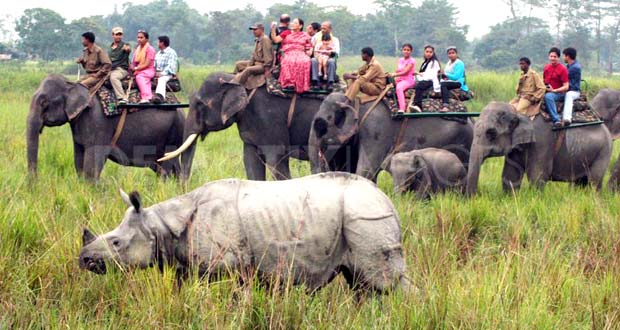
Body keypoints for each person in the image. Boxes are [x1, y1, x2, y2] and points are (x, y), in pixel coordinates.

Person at [271, 18, 312, 94]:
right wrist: (273, 29)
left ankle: (300, 84)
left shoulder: (304, 35)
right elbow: (276, 40)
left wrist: (309, 51)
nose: (292, 24)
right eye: (292, 22)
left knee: (305, 61)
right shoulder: (286, 32)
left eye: (295, 23)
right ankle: (289, 83)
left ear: (300, 26)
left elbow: (308, 46)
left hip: (300, 52)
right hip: (288, 52)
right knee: (289, 61)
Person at [230, 23, 273, 89]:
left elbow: (268, 57)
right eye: (253, 30)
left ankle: (234, 84)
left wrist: (267, 70)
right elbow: (253, 56)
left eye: (255, 29)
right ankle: (234, 78)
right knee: (238, 64)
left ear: (261, 30)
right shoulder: (257, 40)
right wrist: (249, 64)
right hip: (255, 63)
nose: (253, 31)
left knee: (248, 70)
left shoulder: (265, 39)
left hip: (262, 65)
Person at [543, 47, 569, 127]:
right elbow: (544, 81)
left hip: (559, 93)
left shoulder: (562, 69)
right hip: (547, 90)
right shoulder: (546, 68)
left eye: (555, 57)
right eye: (551, 56)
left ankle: (556, 119)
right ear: (548, 57)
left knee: (548, 97)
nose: (552, 58)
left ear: (558, 58)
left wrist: (554, 90)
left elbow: (566, 86)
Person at [310, 21, 341, 90]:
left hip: (329, 57)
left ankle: (330, 83)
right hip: (318, 57)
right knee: (313, 60)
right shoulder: (315, 37)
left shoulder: (335, 40)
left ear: (330, 29)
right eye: (322, 29)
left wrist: (329, 53)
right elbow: (312, 49)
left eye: (325, 29)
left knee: (331, 61)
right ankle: (316, 82)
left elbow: (336, 53)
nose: (323, 30)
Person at [411, 45, 441, 113]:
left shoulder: (434, 63)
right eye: (427, 52)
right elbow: (423, 73)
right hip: (424, 78)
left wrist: (419, 75)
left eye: (430, 52)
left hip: (431, 80)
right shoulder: (425, 62)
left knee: (420, 85)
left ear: (433, 53)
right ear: (424, 52)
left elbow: (431, 75)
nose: (428, 53)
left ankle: (418, 105)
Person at [439, 46, 470, 112]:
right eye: (449, 53)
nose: (451, 55)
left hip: (458, 82)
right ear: (447, 55)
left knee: (443, 85)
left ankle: (445, 105)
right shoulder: (449, 63)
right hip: (450, 81)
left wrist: (445, 74)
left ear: (456, 54)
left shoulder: (459, 63)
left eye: (453, 53)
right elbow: (447, 75)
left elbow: (456, 77)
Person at [131, 30, 156, 103]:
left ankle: (147, 97)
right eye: (138, 37)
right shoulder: (138, 49)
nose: (139, 39)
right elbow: (134, 62)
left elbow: (147, 64)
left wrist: (136, 68)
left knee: (140, 77)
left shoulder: (150, 49)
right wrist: (132, 67)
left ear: (146, 39)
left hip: (148, 70)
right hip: (139, 69)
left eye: (141, 37)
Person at [389, 43, 416, 113]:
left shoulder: (411, 61)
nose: (406, 51)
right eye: (404, 50)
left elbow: (405, 72)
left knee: (399, 88)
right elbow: (398, 70)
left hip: (408, 80)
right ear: (402, 50)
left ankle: (402, 108)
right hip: (399, 79)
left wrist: (395, 74)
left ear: (411, 51)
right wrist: (392, 74)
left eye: (408, 50)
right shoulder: (400, 60)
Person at [108, 27, 131, 103]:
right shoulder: (110, 47)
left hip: (121, 69)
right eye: (117, 34)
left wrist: (127, 49)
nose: (118, 36)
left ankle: (122, 97)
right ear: (113, 35)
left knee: (114, 77)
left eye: (120, 34)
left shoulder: (125, 45)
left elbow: (128, 49)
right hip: (111, 69)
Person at [153, 35, 178, 104]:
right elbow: (154, 65)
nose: (157, 44)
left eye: (158, 42)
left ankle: (160, 97)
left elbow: (171, 66)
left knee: (162, 79)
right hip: (158, 73)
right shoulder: (158, 53)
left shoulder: (171, 52)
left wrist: (162, 73)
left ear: (162, 43)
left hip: (168, 74)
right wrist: (155, 73)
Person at [561, 47, 581, 126]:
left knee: (569, 95)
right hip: (567, 88)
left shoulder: (574, 68)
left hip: (574, 91)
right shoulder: (569, 66)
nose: (563, 58)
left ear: (568, 56)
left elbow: (563, 78)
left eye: (564, 56)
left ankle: (567, 118)